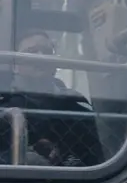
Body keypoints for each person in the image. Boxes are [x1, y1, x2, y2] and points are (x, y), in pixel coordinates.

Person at [0, 30, 102, 166]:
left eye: (47, 52)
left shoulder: (75, 105)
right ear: (15, 65)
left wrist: (63, 154)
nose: (41, 57)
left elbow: (95, 156)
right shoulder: (3, 106)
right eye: (32, 51)